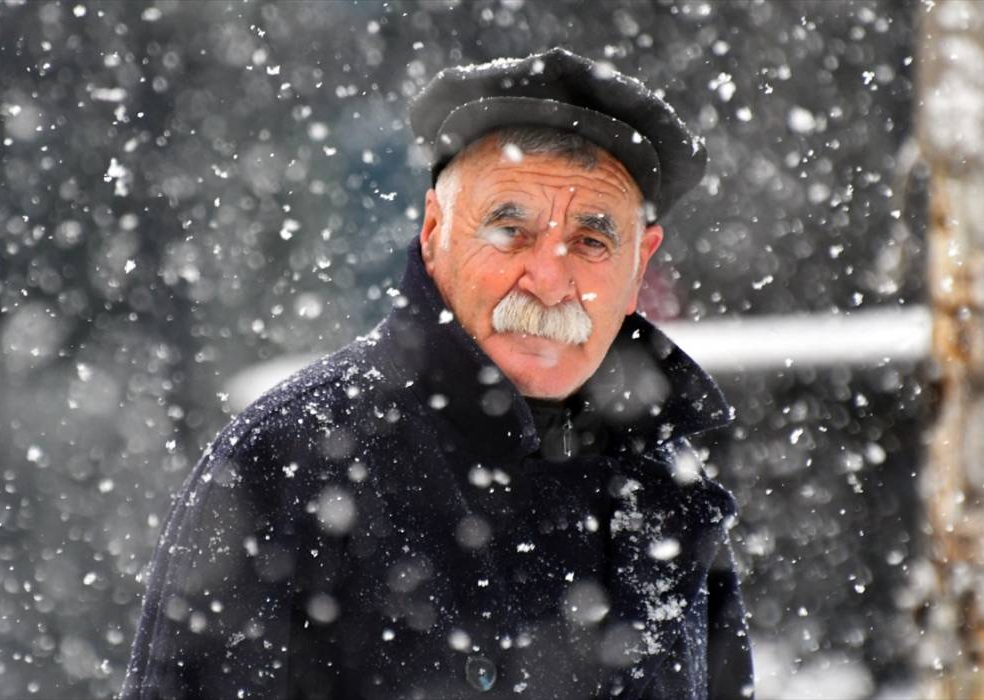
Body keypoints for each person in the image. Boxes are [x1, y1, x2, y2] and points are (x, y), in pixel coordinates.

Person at [122, 47, 753, 700]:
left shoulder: (669, 490)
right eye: (511, 231)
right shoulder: (290, 461)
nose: (548, 280)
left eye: (592, 243)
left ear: (639, 267)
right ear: (432, 231)